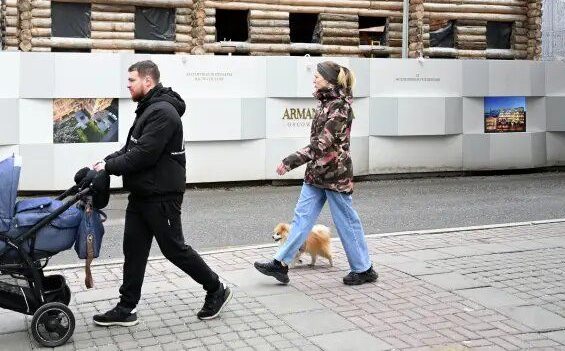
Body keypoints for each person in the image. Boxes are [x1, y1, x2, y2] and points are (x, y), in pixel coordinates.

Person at [91, 60, 232, 326]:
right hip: (142, 193)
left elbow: (144, 154)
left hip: (162, 195)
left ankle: (216, 289)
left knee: (174, 249)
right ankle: (126, 308)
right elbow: (131, 148)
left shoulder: (163, 112)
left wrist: (109, 168)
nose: (127, 85)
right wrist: (105, 162)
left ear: (148, 81)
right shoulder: (148, 108)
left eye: (131, 80)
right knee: (134, 250)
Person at [254, 61, 378, 286]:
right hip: (316, 174)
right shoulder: (326, 103)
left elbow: (322, 144)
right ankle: (281, 263)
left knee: (346, 221)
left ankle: (364, 269)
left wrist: (290, 161)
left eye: (318, 76)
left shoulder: (340, 107)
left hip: (335, 175)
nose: (314, 78)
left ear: (329, 80)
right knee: (301, 219)